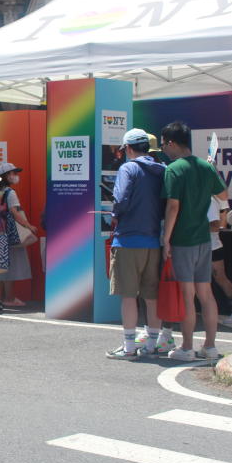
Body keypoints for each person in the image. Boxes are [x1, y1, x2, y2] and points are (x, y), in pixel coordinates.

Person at [161, 121, 229, 361]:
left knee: (187, 295)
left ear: (170, 143)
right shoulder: (205, 166)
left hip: (183, 240)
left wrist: (166, 239)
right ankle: (210, 347)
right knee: (206, 294)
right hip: (204, 239)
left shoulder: (174, 169)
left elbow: (173, 206)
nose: (163, 150)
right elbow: (222, 195)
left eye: (163, 145)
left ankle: (187, 347)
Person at [104, 129, 168, 360]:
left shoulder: (128, 168)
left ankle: (129, 347)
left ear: (128, 148)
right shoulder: (162, 170)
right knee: (152, 296)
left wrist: (115, 214)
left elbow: (120, 199)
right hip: (154, 240)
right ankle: (152, 343)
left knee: (128, 295)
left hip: (128, 239)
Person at [0, 162, 36, 308]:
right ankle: (10, 298)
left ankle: (3, 297)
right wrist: (28, 225)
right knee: (11, 266)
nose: (16, 176)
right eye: (13, 173)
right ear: (6, 176)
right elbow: (15, 212)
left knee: (2, 266)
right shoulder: (10, 193)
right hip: (10, 233)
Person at [209, 197, 232, 325]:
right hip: (199, 246)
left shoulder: (211, 200)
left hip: (213, 247)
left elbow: (215, 226)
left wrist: (194, 227)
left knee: (221, 279)